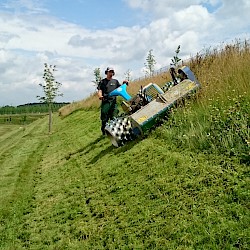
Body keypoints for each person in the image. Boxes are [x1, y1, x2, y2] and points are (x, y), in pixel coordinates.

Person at [97, 67, 128, 135]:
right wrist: (100, 96)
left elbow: (120, 89)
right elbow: (99, 90)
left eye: (112, 72)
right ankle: (104, 129)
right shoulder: (102, 82)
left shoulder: (115, 81)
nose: (111, 73)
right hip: (106, 102)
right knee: (104, 117)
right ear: (106, 73)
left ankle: (113, 132)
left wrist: (124, 83)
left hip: (113, 102)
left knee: (114, 117)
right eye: (109, 72)